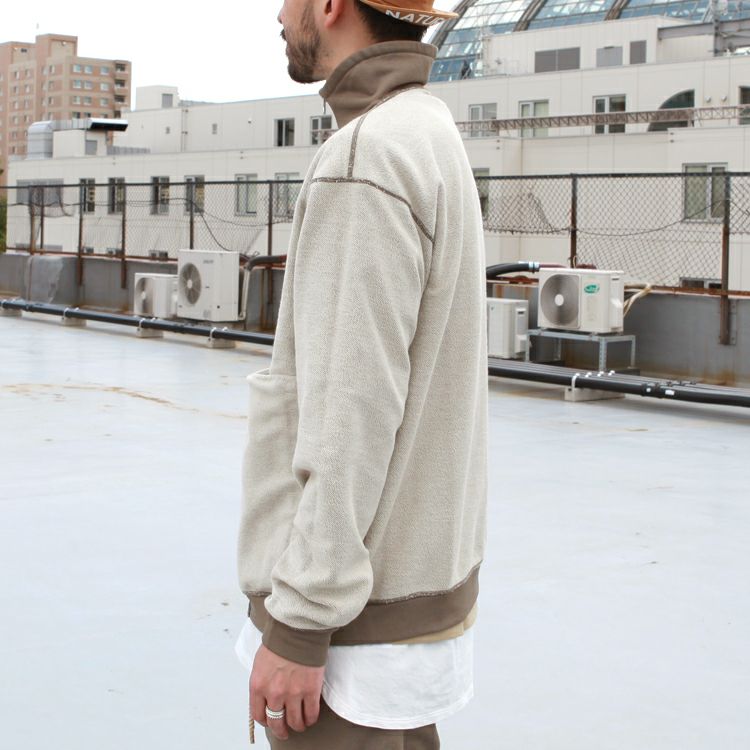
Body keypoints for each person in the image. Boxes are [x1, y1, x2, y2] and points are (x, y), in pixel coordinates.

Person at [235, 0, 488, 747]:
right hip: (414, 595)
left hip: (351, 633)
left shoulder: (365, 156)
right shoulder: (428, 128)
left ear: (330, 5)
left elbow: (352, 409)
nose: (279, 14)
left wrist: (300, 623)